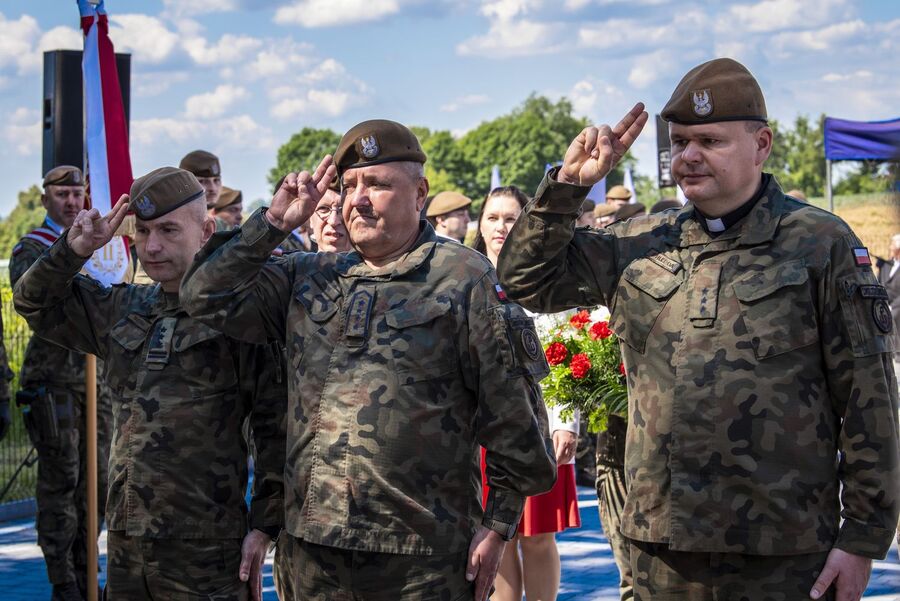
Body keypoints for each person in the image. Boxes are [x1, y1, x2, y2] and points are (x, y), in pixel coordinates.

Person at [497, 58, 899, 601]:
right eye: (681, 141)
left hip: (785, 550)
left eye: (709, 140)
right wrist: (568, 188)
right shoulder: (637, 241)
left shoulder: (817, 243)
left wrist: (863, 538)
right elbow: (525, 280)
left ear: (762, 144)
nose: (688, 156)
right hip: (660, 547)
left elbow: (869, 399)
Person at [180, 119, 557, 601]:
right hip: (313, 554)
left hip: (423, 559)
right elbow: (203, 296)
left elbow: (515, 413)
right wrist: (272, 226)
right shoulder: (306, 275)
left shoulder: (462, 276)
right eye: (349, 184)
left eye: (376, 184)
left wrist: (501, 522)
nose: (357, 198)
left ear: (419, 193)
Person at [13, 167, 286, 601]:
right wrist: (73, 250)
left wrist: (264, 527)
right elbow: (33, 302)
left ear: (205, 231)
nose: (152, 246)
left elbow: (275, 427)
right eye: (142, 231)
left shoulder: (241, 317)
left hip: (206, 548)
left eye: (168, 230)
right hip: (125, 545)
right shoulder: (125, 307)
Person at [472, 186, 582, 601]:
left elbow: (566, 354)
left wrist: (565, 422)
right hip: (483, 433)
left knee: (536, 538)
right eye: (493, 217)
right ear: (479, 225)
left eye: (511, 217)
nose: (501, 226)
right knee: (495, 536)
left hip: (539, 429)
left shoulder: (546, 277)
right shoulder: (465, 274)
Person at [9, 165, 112, 601]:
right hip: (54, 383)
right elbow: (33, 300)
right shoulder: (31, 248)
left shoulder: (101, 248)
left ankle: (87, 569)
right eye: (63, 194)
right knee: (62, 482)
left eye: (78, 193)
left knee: (99, 482)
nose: (72, 201)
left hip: (96, 383)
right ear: (45, 197)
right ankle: (63, 579)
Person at [179, 149, 231, 232]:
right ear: (184, 184)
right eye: (202, 181)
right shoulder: (172, 222)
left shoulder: (220, 225)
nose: (213, 188)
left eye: (216, 180)